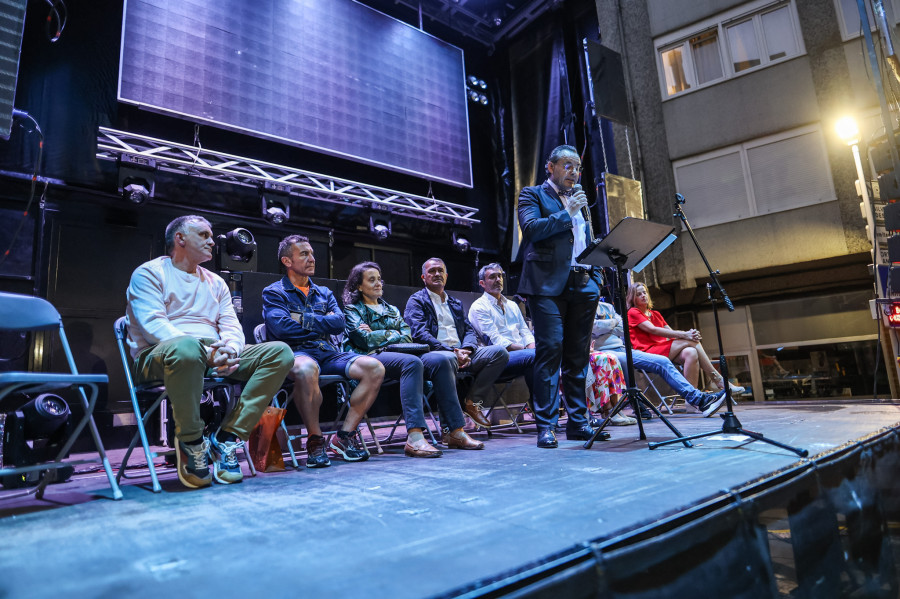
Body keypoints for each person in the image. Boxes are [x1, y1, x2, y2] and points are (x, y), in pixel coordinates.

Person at [126, 215, 294, 489]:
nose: (212, 240)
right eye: (203, 235)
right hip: (160, 354)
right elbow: (154, 326)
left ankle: (228, 437)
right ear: (180, 238)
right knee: (187, 348)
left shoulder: (216, 282)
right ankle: (191, 441)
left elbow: (230, 324)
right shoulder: (149, 273)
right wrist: (207, 352)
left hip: (211, 353)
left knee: (280, 353)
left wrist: (229, 349)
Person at [262, 234, 385, 468]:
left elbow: (339, 323)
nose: (312, 258)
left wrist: (300, 319)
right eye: (304, 254)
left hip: (327, 351)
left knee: (375, 368)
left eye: (312, 253)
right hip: (297, 353)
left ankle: (344, 436)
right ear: (287, 261)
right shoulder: (274, 292)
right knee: (307, 369)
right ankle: (315, 440)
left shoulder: (325, 292)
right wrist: (321, 322)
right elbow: (280, 327)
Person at [517, 144, 609, 448]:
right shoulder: (532, 195)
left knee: (578, 357)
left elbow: (585, 240)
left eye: (578, 167)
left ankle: (578, 423)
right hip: (546, 285)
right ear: (550, 167)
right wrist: (567, 212)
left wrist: (596, 276)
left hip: (583, 283)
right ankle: (546, 425)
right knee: (550, 352)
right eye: (568, 165)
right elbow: (532, 229)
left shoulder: (580, 200)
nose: (574, 172)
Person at [342, 262, 483, 454]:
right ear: (359, 286)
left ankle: (454, 431)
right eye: (371, 280)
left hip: (399, 353)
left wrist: (379, 334)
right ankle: (415, 437)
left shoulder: (390, 308)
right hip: (370, 357)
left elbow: (407, 335)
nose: (378, 284)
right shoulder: (353, 310)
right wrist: (391, 333)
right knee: (413, 363)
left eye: (379, 280)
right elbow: (364, 340)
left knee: (443, 359)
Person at [404, 257, 509, 431]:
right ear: (423, 277)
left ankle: (473, 402)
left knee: (499, 352)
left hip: (461, 353)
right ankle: (450, 430)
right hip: (434, 354)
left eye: (440, 271)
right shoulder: (416, 301)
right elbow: (419, 334)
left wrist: (466, 350)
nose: (437, 274)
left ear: (446, 275)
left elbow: (469, 331)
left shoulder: (455, 303)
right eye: (432, 271)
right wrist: (452, 351)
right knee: (446, 360)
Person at [593, 300, 727, 417]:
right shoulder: (585, 309)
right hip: (604, 353)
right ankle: (701, 399)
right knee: (626, 363)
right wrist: (613, 322)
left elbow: (623, 329)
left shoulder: (607, 307)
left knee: (663, 361)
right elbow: (594, 327)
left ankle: (699, 400)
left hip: (623, 348)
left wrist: (605, 326)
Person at [626, 282, 744, 395]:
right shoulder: (633, 312)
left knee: (691, 352)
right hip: (648, 353)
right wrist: (686, 335)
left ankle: (691, 400)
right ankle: (718, 379)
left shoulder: (656, 314)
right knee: (690, 340)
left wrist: (688, 334)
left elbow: (670, 333)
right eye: (638, 294)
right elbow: (653, 330)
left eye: (644, 292)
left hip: (664, 350)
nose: (643, 296)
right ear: (633, 299)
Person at [467, 263, 535, 403]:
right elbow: (494, 340)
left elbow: (524, 331)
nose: (498, 279)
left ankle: (544, 406)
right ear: (482, 283)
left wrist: (532, 347)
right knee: (537, 357)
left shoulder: (512, 305)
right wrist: (527, 351)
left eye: (500, 276)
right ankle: (540, 406)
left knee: (548, 355)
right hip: (498, 361)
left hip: (523, 357)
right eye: (492, 277)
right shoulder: (479, 307)